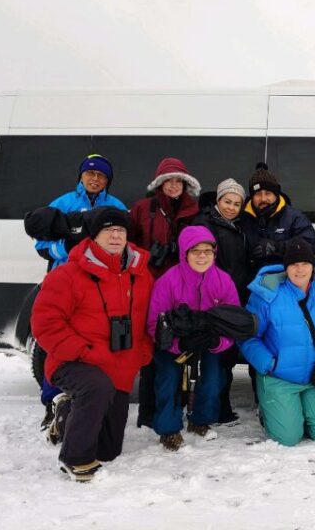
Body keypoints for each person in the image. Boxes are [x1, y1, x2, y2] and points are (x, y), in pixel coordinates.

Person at [30, 207, 153, 481]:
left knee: (109, 450)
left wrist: (144, 349)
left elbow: (148, 320)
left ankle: (65, 414)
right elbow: (44, 323)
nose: (115, 235)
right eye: (107, 230)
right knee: (96, 387)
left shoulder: (142, 274)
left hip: (120, 364)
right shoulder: (68, 274)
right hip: (75, 360)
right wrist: (81, 351)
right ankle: (75, 459)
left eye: (120, 230)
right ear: (94, 236)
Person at [28, 153, 127, 434]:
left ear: (108, 180)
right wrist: (69, 248)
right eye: (90, 174)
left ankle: (90, 400)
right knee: (57, 342)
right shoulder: (62, 204)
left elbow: (123, 242)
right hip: (65, 280)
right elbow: (40, 244)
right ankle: (53, 403)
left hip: (102, 284)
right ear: (81, 176)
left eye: (101, 175)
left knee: (97, 340)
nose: (95, 179)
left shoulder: (116, 206)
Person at [240, 239, 315, 446]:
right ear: (285, 268)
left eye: (305, 263)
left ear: (313, 266)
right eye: (293, 264)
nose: (299, 269)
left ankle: (302, 409)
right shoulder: (266, 294)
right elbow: (247, 337)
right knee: (288, 438)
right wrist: (269, 364)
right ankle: (274, 409)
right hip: (280, 376)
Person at [146, 226, 239, 451]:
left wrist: (219, 343)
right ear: (184, 253)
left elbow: (234, 321)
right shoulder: (168, 281)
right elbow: (154, 323)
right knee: (168, 377)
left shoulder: (223, 280)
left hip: (208, 342)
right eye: (195, 250)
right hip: (173, 343)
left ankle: (200, 421)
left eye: (207, 251)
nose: (202, 256)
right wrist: (177, 344)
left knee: (215, 376)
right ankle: (168, 429)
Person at [128, 157, 201, 429]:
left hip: (183, 286)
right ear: (160, 183)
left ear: (185, 184)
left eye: (178, 181)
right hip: (151, 285)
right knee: (153, 349)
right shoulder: (143, 208)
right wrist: (148, 256)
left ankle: (178, 407)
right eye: (168, 180)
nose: (173, 185)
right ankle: (148, 413)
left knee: (180, 349)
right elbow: (127, 245)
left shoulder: (194, 210)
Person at [194, 178, 250, 425]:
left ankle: (220, 408)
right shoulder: (206, 225)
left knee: (225, 357)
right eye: (227, 201)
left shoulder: (236, 225)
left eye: (237, 203)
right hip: (213, 300)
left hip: (232, 299)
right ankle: (208, 412)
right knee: (214, 359)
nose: (231, 207)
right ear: (218, 200)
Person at [240, 162, 315, 274]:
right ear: (252, 197)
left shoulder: (294, 217)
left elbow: (309, 246)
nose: (263, 199)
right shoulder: (242, 218)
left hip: (283, 279)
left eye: (268, 193)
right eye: (258, 194)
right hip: (250, 282)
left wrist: (276, 247)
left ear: (276, 194)